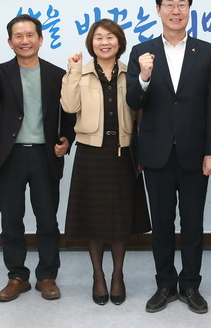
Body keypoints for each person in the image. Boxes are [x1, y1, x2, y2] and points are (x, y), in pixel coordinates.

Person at [126, 0, 211, 314]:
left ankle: (191, 285)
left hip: (196, 153)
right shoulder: (142, 51)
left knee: (193, 224)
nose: (176, 10)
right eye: (169, 4)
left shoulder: (206, 51)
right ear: (158, 10)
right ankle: (165, 284)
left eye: (182, 4)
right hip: (156, 153)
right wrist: (143, 77)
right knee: (162, 224)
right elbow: (133, 101)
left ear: (189, 10)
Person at [0, 14, 76, 302]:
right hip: (10, 155)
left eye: (30, 35)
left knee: (47, 220)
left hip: (46, 155)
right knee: (11, 219)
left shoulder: (57, 75)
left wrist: (67, 139)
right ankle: (17, 276)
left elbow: (69, 114)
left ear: (40, 39)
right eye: (18, 36)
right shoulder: (0, 71)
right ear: (10, 42)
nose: (25, 41)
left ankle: (47, 276)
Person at [60, 19, 151, 306]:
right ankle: (98, 276)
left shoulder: (130, 72)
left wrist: (140, 152)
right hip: (91, 151)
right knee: (94, 219)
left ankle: (117, 275)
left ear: (119, 42)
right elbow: (69, 106)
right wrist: (73, 72)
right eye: (98, 37)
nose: (104, 42)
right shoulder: (81, 72)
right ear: (91, 43)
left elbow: (141, 115)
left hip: (123, 151)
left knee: (121, 219)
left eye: (110, 37)